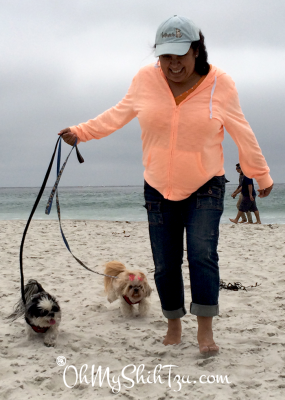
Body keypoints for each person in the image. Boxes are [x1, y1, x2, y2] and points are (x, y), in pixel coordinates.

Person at [58, 15, 273, 353]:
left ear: (196, 50)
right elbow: (119, 113)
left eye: (180, 55)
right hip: (157, 186)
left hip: (206, 184)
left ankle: (205, 332)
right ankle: (174, 325)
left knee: (202, 255)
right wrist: (81, 132)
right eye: (165, 56)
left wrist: (260, 174)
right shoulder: (146, 79)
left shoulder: (221, 84)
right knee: (166, 262)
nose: (173, 64)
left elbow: (241, 131)